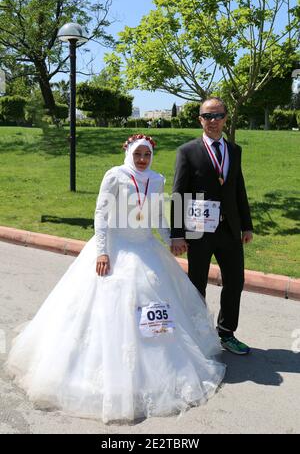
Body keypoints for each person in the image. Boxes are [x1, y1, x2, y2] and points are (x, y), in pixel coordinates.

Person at [6, 134, 225, 424]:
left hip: (147, 250)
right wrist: (102, 252)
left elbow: (157, 215)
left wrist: (171, 237)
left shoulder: (157, 179)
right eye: (138, 154)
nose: (143, 159)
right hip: (117, 248)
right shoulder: (116, 175)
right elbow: (101, 214)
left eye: (147, 154)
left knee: (154, 309)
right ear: (129, 152)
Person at [171, 97, 253, 355]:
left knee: (235, 281)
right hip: (198, 230)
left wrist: (247, 225)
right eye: (208, 116)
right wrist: (177, 235)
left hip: (229, 229)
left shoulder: (234, 150)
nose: (213, 121)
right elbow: (178, 193)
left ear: (226, 118)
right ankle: (196, 334)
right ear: (200, 120)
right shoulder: (188, 151)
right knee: (196, 284)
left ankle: (227, 333)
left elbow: (238, 189)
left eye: (218, 116)